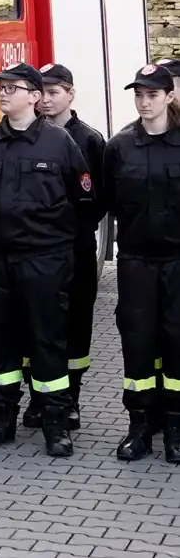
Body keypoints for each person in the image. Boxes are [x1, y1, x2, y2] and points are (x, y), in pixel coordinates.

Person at [0, 62, 93, 457]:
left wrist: (55, 250)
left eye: (12, 87)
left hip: (44, 261)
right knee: (1, 342)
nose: (3, 93)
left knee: (47, 341)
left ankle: (55, 422)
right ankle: (2, 418)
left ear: (35, 97)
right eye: (0, 88)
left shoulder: (60, 143)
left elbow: (83, 201)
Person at [103, 64, 180, 462]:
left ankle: (175, 425)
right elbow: (107, 202)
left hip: (177, 262)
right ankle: (139, 425)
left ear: (169, 96)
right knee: (137, 343)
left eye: (152, 95)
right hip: (135, 262)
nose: (145, 102)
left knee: (176, 342)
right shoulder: (120, 147)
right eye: (139, 95)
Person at [35, 63, 107, 431]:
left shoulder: (89, 140)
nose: (46, 100)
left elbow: (97, 198)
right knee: (41, 323)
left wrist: (72, 226)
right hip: (40, 250)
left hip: (75, 246)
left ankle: (72, 399)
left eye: (54, 93)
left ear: (70, 95)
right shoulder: (28, 136)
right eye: (42, 93)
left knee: (76, 323)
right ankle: (39, 400)